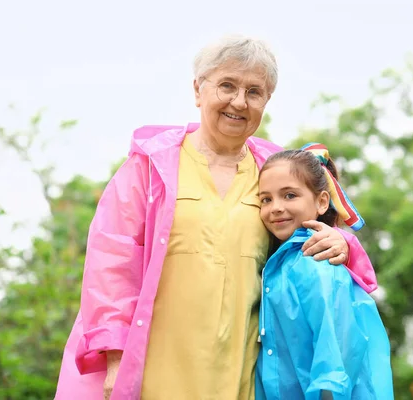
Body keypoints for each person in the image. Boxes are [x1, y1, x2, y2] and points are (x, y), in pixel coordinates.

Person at [54, 35, 379, 400]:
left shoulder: (274, 172)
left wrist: (343, 243)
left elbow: (317, 229)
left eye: (254, 91)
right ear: (198, 89)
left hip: (240, 372)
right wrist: (116, 361)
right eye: (227, 85)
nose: (238, 102)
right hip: (154, 370)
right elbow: (110, 263)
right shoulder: (150, 166)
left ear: (266, 100)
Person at [255, 144, 393, 399]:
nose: (275, 207)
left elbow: (335, 357)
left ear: (321, 201)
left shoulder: (316, 263)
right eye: (266, 199)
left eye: (289, 195)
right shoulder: (278, 266)